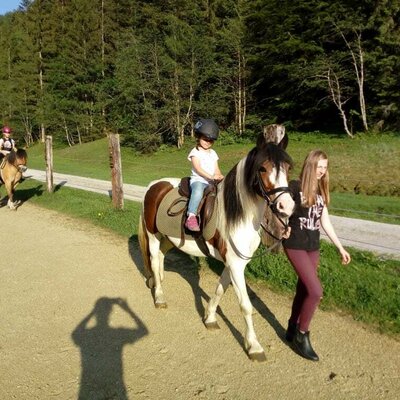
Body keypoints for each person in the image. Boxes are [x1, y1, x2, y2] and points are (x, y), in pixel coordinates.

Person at [282, 149, 351, 361]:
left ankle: (292, 327)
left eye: (325, 167)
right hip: (295, 244)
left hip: (313, 246)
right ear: (310, 165)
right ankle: (302, 335)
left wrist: (340, 247)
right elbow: (280, 208)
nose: (322, 171)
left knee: (304, 290)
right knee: (316, 291)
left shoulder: (320, 191)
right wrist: (283, 226)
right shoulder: (294, 186)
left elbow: (325, 221)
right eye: (318, 166)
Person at [185, 118, 224, 232]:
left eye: (211, 140)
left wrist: (219, 175)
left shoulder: (213, 153)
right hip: (199, 180)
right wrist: (211, 177)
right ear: (198, 137)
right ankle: (191, 216)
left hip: (211, 181)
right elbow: (198, 169)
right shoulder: (195, 152)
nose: (207, 142)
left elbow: (216, 169)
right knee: (197, 191)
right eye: (205, 139)